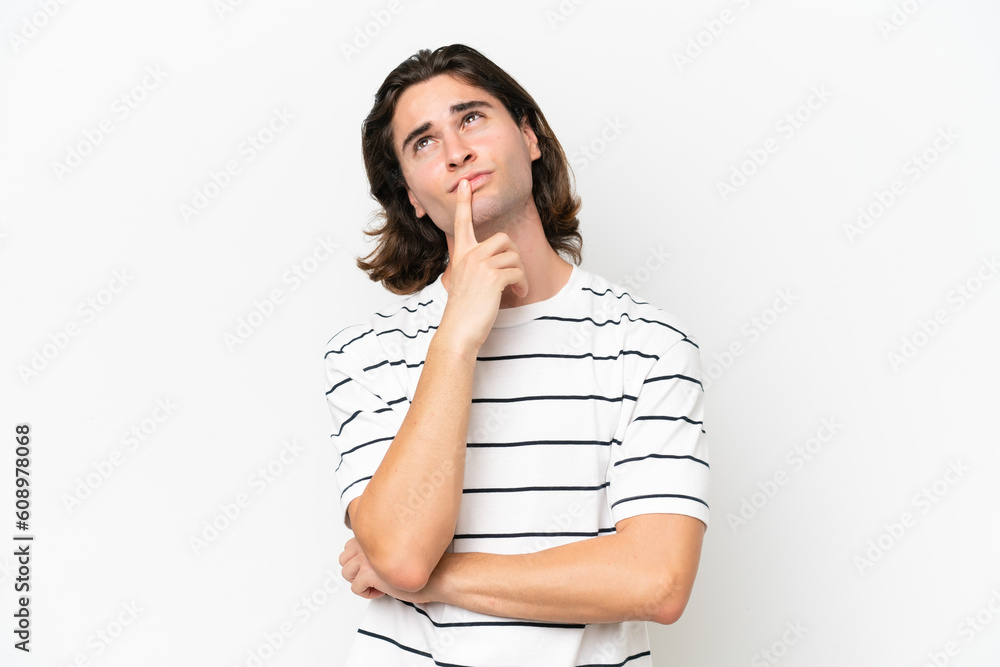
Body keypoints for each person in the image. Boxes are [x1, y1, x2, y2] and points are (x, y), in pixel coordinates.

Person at [325, 43, 710, 666]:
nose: (456, 151)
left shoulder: (646, 343)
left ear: (529, 137)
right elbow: (402, 554)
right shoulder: (366, 355)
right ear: (412, 196)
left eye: (472, 118)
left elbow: (656, 581)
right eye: (423, 142)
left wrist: (437, 580)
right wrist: (457, 338)